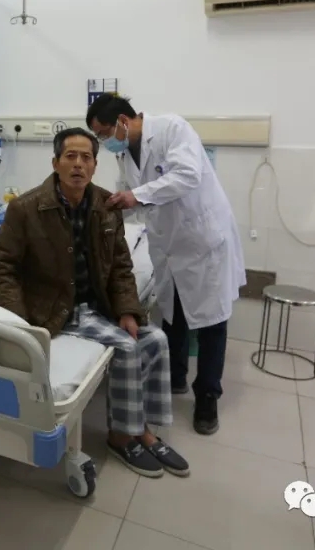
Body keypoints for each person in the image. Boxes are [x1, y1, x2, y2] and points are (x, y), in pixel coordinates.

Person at [0, 128, 189, 478]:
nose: (78, 164)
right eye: (70, 156)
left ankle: (145, 429)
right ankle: (121, 436)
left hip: (99, 305)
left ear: (95, 165)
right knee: (127, 347)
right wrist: (20, 324)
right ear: (55, 163)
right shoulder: (26, 208)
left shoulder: (106, 206)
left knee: (156, 339)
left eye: (86, 158)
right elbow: (3, 267)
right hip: (56, 309)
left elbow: (121, 265)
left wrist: (127, 310)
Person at [86, 96, 245, 435]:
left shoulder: (172, 128)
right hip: (167, 244)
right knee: (174, 315)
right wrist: (108, 208)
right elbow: (129, 193)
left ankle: (208, 396)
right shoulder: (124, 152)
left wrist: (135, 196)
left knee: (211, 323)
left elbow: (186, 175)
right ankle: (175, 377)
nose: (104, 141)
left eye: (103, 133)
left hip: (201, 242)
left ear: (123, 120)